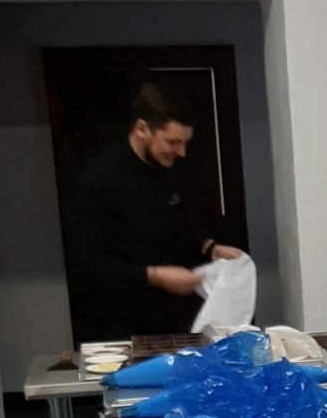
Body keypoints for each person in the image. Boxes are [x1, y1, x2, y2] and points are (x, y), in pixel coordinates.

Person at [63, 81, 243, 340]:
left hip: (168, 321)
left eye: (185, 142)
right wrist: (155, 276)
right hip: (114, 323)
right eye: (173, 142)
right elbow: (87, 262)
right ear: (142, 129)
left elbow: (176, 227)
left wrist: (209, 248)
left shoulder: (170, 171)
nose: (182, 152)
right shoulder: (100, 178)